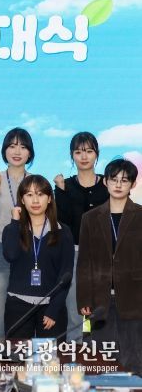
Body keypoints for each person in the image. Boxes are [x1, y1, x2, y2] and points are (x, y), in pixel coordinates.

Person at [78, 159, 142, 374]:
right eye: (114, 179)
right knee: (99, 361)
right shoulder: (90, 218)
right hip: (98, 301)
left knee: (134, 361)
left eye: (124, 180)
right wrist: (84, 300)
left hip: (135, 300)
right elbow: (84, 263)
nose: (118, 184)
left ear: (133, 184)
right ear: (105, 182)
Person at [3, 175, 74, 338]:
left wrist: (54, 309)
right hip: (18, 304)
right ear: (22, 200)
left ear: (49, 198)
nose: (35, 200)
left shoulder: (63, 232)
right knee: (17, 354)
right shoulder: (12, 229)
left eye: (40, 194)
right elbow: (10, 255)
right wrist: (15, 222)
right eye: (29, 195)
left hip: (51, 306)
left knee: (50, 355)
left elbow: (66, 273)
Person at [54, 132, 108, 342]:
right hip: (75, 254)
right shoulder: (64, 185)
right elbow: (62, 223)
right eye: (78, 152)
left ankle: (99, 352)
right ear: (72, 156)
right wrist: (60, 192)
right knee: (76, 311)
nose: (84, 157)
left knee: (100, 311)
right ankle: (76, 353)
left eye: (89, 151)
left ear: (97, 154)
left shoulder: (108, 183)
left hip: (104, 256)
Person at [0, 127, 34, 338]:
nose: (17, 151)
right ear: (5, 150)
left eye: (23, 147)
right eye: (12, 146)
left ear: (30, 153)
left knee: (27, 305)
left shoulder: (35, 181)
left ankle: (23, 353)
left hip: (28, 248)